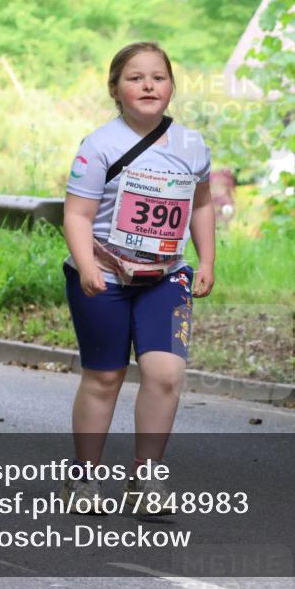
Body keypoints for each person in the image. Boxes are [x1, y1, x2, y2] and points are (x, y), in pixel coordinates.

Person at [60, 41, 215, 515]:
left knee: (165, 375)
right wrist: (87, 265)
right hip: (104, 276)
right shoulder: (99, 146)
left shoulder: (192, 145)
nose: (148, 85)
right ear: (115, 89)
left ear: (171, 87)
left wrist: (207, 261)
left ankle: (146, 479)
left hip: (167, 277)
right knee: (105, 377)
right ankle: (84, 480)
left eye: (158, 77)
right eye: (135, 78)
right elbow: (77, 215)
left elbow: (201, 205)